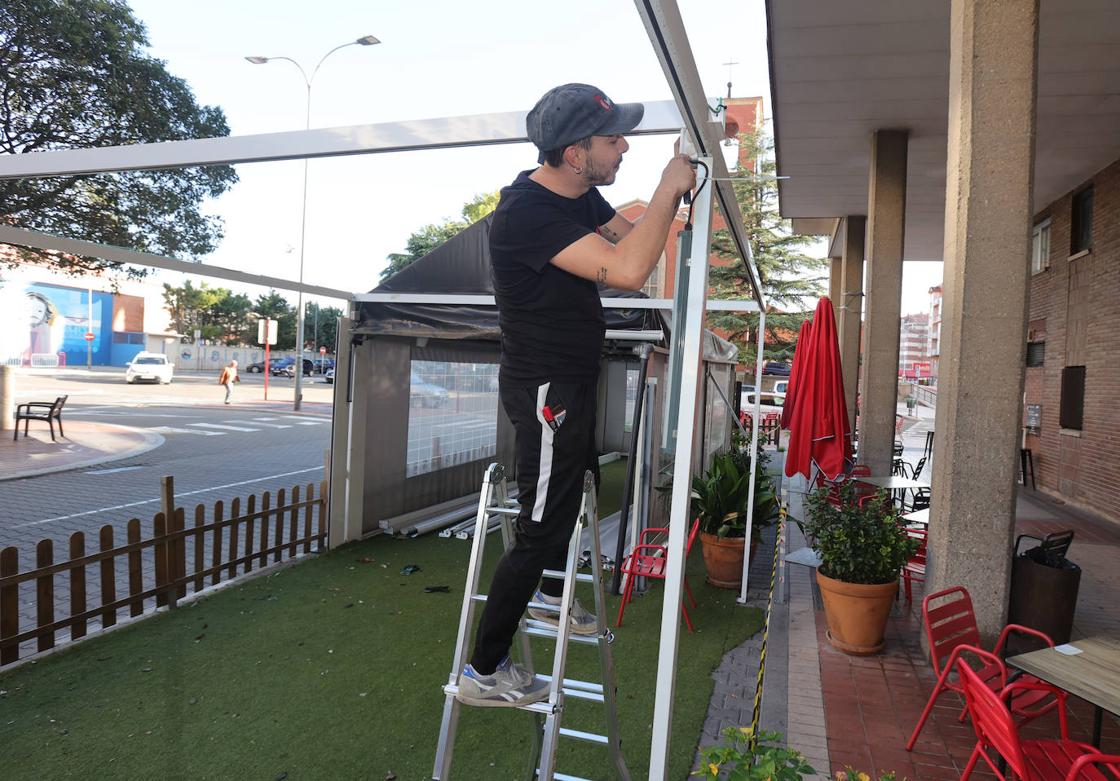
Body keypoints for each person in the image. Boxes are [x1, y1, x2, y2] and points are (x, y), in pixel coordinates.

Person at [455, 83, 696, 708]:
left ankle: (552, 595)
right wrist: (669, 188)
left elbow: (631, 236)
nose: (623, 148)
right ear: (572, 152)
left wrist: (668, 210)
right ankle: (484, 670)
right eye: (612, 138)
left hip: (571, 377)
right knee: (539, 525)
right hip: (545, 388)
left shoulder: (577, 195)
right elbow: (628, 270)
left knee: (575, 487)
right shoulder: (526, 214)